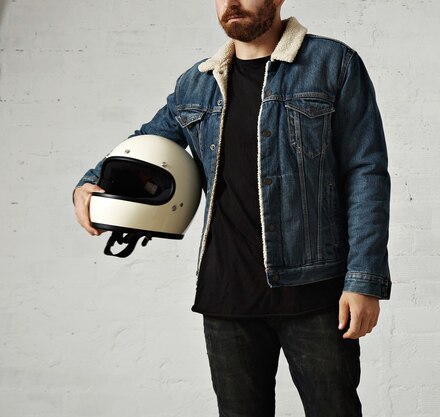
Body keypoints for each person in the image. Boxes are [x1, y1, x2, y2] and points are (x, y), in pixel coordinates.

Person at [73, 0, 391, 415]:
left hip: (314, 291)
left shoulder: (332, 63)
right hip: (226, 293)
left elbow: (366, 171)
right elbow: (149, 141)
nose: (231, 3)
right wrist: (90, 181)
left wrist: (363, 280)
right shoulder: (196, 83)